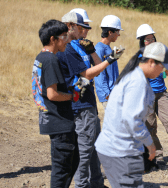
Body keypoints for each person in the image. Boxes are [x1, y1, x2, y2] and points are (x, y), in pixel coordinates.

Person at [95, 42, 168, 187]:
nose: (162, 72)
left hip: (112, 150)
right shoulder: (137, 82)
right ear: (151, 62)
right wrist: (150, 145)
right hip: (120, 152)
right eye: (161, 67)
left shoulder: (131, 76)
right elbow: (132, 120)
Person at [56, 11, 120, 188]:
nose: (86, 31)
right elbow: (86, 74)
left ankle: (96, 183)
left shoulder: (80, 45)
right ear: (71, 26)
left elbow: (97, 68)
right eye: (83, 27)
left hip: (88, 102)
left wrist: (92, 52)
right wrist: (110, 60)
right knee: (84, 150)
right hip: (80, 104)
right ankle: (82, 185)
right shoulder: (68, 49)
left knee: (94, 147)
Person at [31, 19, 79, 187]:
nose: (68, 40)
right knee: (62, 169)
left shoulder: (41, 57)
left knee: (72, 161)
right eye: (64, 36)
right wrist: (72, 95)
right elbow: (52, 94)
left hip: (53, 120)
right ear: (53, 39)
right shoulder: (51, 60)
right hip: (59, 122)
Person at [136, 24, 168, 164]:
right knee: (150, 127)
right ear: (141, 41)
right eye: (147, 39)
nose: (150, 41)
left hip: (161, 94)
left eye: (152, 38)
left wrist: (164, 65)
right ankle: (158, 155)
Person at [95, 15, 124, 110]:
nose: (119, 34)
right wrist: (107, 95)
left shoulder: (107, 47)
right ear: (110, 32)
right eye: (117, 31)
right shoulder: (99, 49)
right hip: (109, 96)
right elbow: (99, 74)